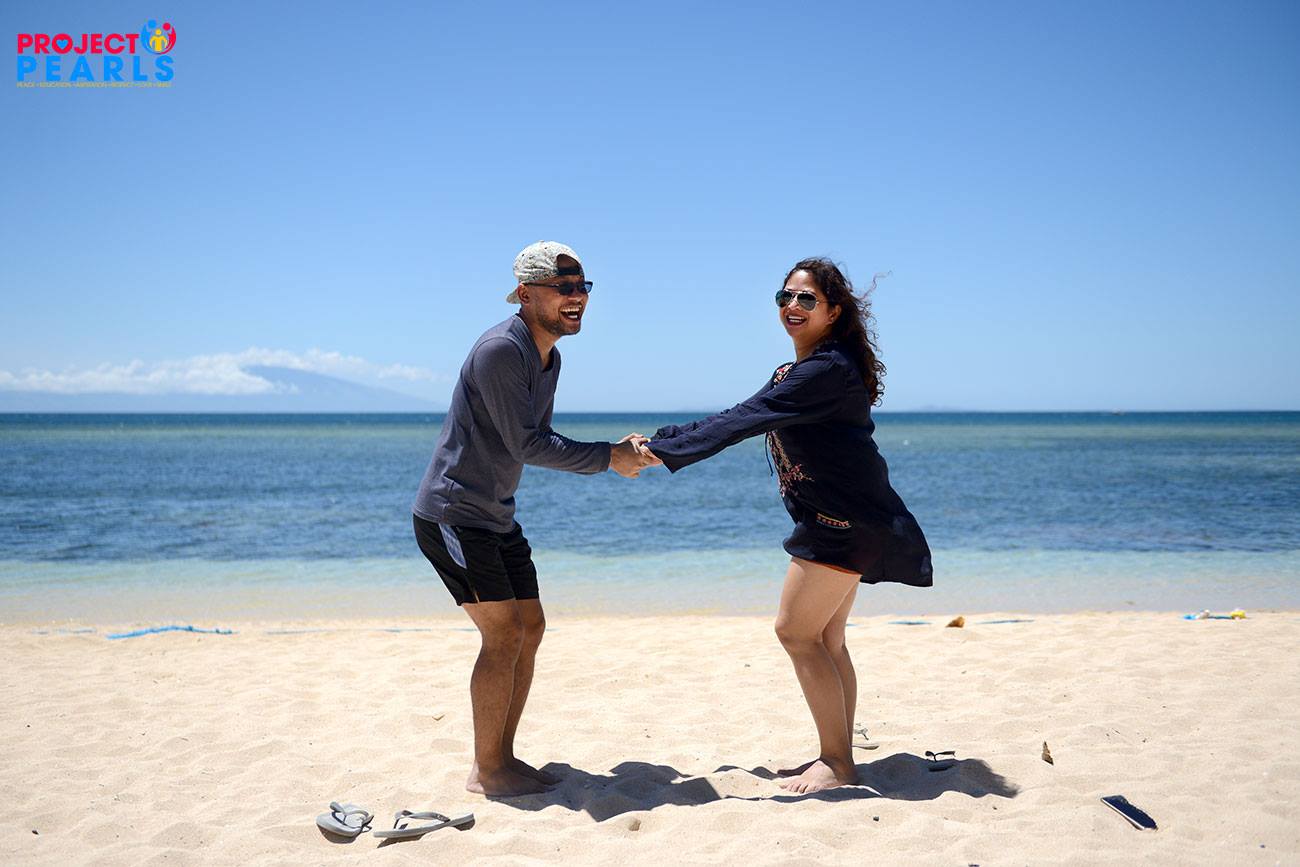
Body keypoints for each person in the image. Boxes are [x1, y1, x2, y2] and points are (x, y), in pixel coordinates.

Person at [642, 257, 932, 794]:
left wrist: (660, 453)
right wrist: (662, 439)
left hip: (842, 522)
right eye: (785, 297)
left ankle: (838, 763)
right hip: (850, 516)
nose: (792, 306)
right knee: (826, 637)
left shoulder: (826, 371)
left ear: (833, 312)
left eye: (806, 299)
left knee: (795, 632)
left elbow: (744, 421)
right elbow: (741, 412)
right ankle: (837, 755)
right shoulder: (800, 371)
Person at [412, 241, 656, 797]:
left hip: (495, 514)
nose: (577, 297)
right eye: (563, 287)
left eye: (583, 287)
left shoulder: (549, 356)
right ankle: (486, 771)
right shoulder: (501, 350)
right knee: (502, 636)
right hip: (454, 514)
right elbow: (527, 444)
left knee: (531, 627)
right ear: (526, 294)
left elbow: (533, 438)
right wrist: (609, 456)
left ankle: (501, 757)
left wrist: (619, 453)